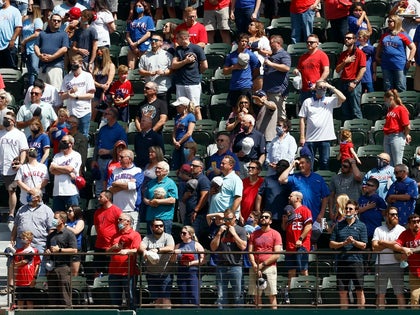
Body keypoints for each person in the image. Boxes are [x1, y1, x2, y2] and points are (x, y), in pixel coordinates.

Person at [298, 80, 346, 170]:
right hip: (310, 138)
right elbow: (302, 119)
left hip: (325, 138)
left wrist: (331, 87)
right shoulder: (307, 102)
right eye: (320, 87)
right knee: (309, 163)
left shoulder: (329, 100)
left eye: (324, 88)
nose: (322, 89)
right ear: (315, 88)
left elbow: (343, 98)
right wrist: (302, 136)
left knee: (324, 162)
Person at [329, 200, 367, 309]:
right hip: (342, 262)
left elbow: (364, 245)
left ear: (356, 211)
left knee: (359, 290)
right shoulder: (338, 225)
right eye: (346, 208)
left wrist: (354, 242)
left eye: (351, 209)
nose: (348, 211)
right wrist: (343, 243)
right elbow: (331, 244)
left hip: (357, 262)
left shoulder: (361, 226)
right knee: (342, 291)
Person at [279, 156, 330, 234]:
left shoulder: (318, 178)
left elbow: (325, 197)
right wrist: (291, 166)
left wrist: (322, 213)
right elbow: (281, 179)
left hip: (315, 215)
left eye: (302, 163)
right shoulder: (294, 177)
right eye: (299, 164)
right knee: (298, 239)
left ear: (309, 164)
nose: (300, 165)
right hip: (298, 216)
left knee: (313, 241)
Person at [210, 208, 247, 307]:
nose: (228, 222)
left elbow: (243, 246)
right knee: (221, 296)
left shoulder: (241, 230)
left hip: (236, 266)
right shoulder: (220, 229)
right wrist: (219, 234)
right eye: (226, 219)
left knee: (238, 295)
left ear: (235, 218)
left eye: (230, 219)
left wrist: (234, 233)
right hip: (221, 266)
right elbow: (213, 248)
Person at [372, 206, 406, 308]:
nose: (395, 216)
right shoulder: (378, 229)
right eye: (392, 214)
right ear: (386, 216)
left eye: (396, 214)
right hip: (380, 264)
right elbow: (374, 248)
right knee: (380, 294)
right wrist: (393, 244)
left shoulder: (402, 230)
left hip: (397, 264)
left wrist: (382, 242)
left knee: (399, 293)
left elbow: (401, 248)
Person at [248, 211, 282, 308]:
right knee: (256, 295)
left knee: (271, 294)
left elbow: (277, 254)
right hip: (255, 266)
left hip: (269, 267)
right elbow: (250, 251)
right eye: (262, 217)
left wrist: (262, 265)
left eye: (266, 217)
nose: (263, 218)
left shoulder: (276, 234)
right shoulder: (253, 234)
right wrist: (254, 265)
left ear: (270, 221)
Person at [107, 213, 141, 310]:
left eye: (120, 219)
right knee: (115, 300)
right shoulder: (115, 235)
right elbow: (107, 253)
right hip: (113, 272)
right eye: (118, 220)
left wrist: (127, 251)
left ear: (128, 222)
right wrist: (113, 247)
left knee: (131, 298)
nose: (118, 221)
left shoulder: (135, 234)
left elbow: (137, 250)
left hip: (128, 272)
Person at [172, 30, 208, 120]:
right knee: (181, 108)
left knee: (195, 108)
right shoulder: (178, 50)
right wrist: (185, 61)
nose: (176, 41)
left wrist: (197, 73)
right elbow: (173, 65)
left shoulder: (197, 49)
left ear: (183, 38)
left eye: (178, 39)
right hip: (180, 83)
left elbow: (205, 65)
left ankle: (198, 129)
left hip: (193, 83)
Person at [140, 218, 175, 308]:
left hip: (165, 273)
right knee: (156, 299)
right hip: (151, 273)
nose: (159, 227)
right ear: (152, 227)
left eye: (161, 226)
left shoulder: (168, 237)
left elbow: (171, 247)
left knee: (166, 298)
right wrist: (144, 251)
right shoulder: (147, 238)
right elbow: (141, 246)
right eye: (156, 226)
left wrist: (157, 249)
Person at [92, 107, 128, 196]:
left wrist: (108, 152)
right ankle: (99, 204)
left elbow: (123, 148)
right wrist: (94, 159)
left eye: (107, 114)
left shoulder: (120, 130)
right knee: (99, 185)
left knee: (111, 184)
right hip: (100, 161)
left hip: (113, 161)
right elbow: (97, 145)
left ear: (113, 116)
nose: (104, 116)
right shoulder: (103, 129)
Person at [0, 111, 29, 223]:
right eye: (4, 118)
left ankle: (11, 214)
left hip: (11, 167)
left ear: (13, 121)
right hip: (0, 165)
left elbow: (23, 151)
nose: (5, 120)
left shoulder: (19, 134)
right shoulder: (1, 132)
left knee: (11, 190)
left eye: (8, 119)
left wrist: (20, 163)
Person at [45, 211, 77, 308]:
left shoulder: (69, 234)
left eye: (55, 218)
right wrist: (47, 251)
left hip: (63, 267)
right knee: (52, 296)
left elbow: (74, 250)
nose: (53, 220)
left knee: (65, 295)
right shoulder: (51, 235)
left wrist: (59, 250)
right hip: (51, 268)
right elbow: (47, 249)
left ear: (62, 220)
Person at [376, 15, 416, 92]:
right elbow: (379, 46)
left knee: (400, 85)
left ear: (396, 22)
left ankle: (401, 103)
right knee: (387, 86)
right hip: (386, 63)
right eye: (388, 21)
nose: (389, 23)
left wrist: (409, 60)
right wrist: (377, 56)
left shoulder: (403, 34)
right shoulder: (385, 35)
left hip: (399, 64)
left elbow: (413, 48)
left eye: (391, 21)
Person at [60, 54, 95, 137]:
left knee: (83, 135)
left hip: (84, 111)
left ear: (80, 63)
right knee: (70, 135)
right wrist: (70, 92)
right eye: (71, 63)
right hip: (71, 111)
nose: (72, 65)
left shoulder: (87, 76)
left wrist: (76, 97)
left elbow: (91, 95)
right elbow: (62, 96)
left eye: (74, 63)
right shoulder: (67, 77)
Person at [107, 149, 144, 229]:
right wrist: (127, 185)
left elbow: (134, 186)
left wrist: (117, 184)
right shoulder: (115, 171)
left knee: (131, 236)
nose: (119, 159)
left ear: (129, 159)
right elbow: (109, 189)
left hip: (132, 210)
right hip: (117, 210)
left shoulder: (137, 171)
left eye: (122, 157)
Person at [170, 225, 205, 306]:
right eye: (181, 233)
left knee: (194, 296)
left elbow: (203, 260)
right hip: (182, 273)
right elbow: (172, 260)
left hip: (193, 272)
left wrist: (191, 263)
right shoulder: (178, 245)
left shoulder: (196, 245)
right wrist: (175, 254)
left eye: (184, 233)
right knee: (184, 296)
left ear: (190, 234)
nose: (182, 235)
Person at [335, 32, 366, 121]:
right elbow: (337, 70)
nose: (346, 40)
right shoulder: (343, 54)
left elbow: (363, 69)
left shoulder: (360, 53)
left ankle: (359, 128)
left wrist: (355, 82)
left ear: (354, 40)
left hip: (353, 83)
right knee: (345, 110)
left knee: (355, 109)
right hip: (343, 82)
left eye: (349, 38)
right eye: (345, 38)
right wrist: (346, 61)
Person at [223, 33, 260, 109]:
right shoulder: (231, 56)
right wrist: (233, 67)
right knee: (234, 109)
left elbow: (257, 70)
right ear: (238, 42)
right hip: (234, 87)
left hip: (246, 86)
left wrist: (249, 79)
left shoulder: (251, 55)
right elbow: (225, 71)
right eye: (242, 41)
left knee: (247, 109)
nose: (244, 43)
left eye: (246, 41)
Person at [283, 192, 313, 284]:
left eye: (291, 196)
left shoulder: (305, 210)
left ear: (298, 199)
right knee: (291, 271)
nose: (289, 197)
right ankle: (290, 293)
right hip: (290, 245)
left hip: (301, 245)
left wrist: (300, 239)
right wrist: (284, 221)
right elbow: (284, 228)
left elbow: (309, 226)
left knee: (303, 270)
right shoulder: (288, 210)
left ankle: (306, 291)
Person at [34, 14, 69, 90]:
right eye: (54, 20)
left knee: (55, 90)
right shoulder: (42, 33)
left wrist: (52, 57)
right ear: (49, 21)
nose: (56, 22)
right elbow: (36, 46)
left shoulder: (63, 34)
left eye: (58, 21)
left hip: (56, 66)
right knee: (40, 90)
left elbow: (64, 49)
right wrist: (39, 55)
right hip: (42, 66)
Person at [255, 160, 291, 231]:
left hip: (284, 217)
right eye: (278, 165)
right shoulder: (268, 179)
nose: (280, 167)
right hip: (268, 216)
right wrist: (258, 210)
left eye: (283, 166)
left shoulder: (291, 180)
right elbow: (260, 194)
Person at [143, 161, 178, 233]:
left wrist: (158, 202)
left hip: (164, 218)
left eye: (159, 168)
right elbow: (145, 198)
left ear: (166, 171)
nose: (157, 170)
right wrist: (150, 202)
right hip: (151, 217)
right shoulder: (151, 183)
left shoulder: (170, 183)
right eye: (156, 168)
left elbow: (172, 200)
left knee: (164, 240)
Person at [49, 134, 82, 210]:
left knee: (74, 216)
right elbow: (51, 170)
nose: (62, 143)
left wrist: (57, 167)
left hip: (71, 191)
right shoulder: (57, 156)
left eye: (64, 141)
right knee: (58, 217)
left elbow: (70, 168)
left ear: (71, 144)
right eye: (61, 141)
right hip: (57, 192)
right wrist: (67, 172)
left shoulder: (76, 155)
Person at [393, 213, 420, 305]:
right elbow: (396, 246)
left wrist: (410, 250)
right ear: (409, 224)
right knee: (414, 299)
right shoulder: (405, 233)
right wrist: (402, 252)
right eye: (414, 222)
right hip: (414, 273)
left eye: (418, 221)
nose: (416, 224)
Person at [294, 34, 330, 104]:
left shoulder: (322, 55)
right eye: (307, 42)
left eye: (311, 42)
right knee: (305, 113)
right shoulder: (303, 57)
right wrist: (296, 70)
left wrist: (317, 83)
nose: (309, 44)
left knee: (317, 112)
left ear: (317, 44)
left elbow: (326, 71)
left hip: (317, 90)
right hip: (304, 90)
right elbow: (299, 68)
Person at [138, 34, 173, 104]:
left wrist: (163, 72)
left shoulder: (167, 55)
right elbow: (140, 71)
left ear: (161, 43)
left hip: (163, 89)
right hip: (150, 90)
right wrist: (149, 73)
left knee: (164, 112)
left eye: (156, 40)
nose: (153, 42)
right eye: (152, 40)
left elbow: (172, 70)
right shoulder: (145, 56)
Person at [93, 190, 123, 274]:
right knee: (98, 270)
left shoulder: (116, 210)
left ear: (108, 198)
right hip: (99, 245)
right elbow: (96, 226)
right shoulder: (97, 212)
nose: (98, 198)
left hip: (111, 245)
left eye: (101, 197)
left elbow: (122, 226)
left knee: (110, 270)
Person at [262, 35, 291, 120]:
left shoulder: (283, 54)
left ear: (278, 43)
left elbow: (286, 68)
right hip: (268, 90)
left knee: (280, 117)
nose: (270, 45)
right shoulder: (272, 55)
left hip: (277, 91)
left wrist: (271, 64)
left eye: (271, 43)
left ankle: (282, 132)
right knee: (270, 116)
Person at [13, 231, 41, 309]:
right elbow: (15, 264)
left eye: (24, 238)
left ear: (29, 240)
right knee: (20, 301)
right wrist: (23, 262)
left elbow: (37, 264)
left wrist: (34, 278)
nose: (22, 240)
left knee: (29, 301)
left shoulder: (34, 250)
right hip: (19, 280)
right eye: (22, 238)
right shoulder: (18, 251)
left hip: (29, 279)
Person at [383, 89, 411, 166]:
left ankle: (400, 178)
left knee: (397, 163)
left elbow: (407, 126)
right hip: (387, 136)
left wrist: (405, 135)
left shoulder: (401, 109)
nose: (385, 102)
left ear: (391, 98)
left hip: (396, 136)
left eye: (386, 100)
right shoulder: (390, 109)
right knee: (388, 163)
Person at [183, 159, 210, 239]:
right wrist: (186, 195)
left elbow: (205, 196)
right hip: (189, 213)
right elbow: (184, 199)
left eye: (194, 166)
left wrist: (196, 210)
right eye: (191, 165)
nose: (191, 167)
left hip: (198, 216)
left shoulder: (203, 180)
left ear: (201, 168)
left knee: (194, 238)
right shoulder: (191, 180)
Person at [126, 0, 154, 70]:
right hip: (132, 46)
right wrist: (132, 44)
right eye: (136, 6)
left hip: (144, 45)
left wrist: (137, 43)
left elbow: (148, 34)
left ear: (144, 8)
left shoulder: (148, 18)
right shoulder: (132, 20)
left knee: (144, 67)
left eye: (140, 6)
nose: (137, 8)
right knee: (130, 67)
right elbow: (127, 34)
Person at [170, 97, 196, 170]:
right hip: (177, 144)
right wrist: (174, 141)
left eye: (178, 106)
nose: (177, 108)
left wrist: (179, 142)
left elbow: (189, 133)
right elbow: (174, 130)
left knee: (186, 163)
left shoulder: (191, 116)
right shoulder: (177, 117)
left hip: (187, 144)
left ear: (184, 106)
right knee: (175, 164)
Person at [91, 47, 116, 121]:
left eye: (101, 53)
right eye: (98, 54)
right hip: (96, 91)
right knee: (93, 113)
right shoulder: (96, 66)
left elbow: (109, 81)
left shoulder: (111, 65)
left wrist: (104, 91)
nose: (99, 55)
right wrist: (100, 85)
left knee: (105, 114)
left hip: (106, 93)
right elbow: (92, 80)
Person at [21, 4, 43, 87]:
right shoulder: (26, 21)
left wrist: (25, 41)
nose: (29, 9)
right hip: (26, 48)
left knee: (35, 67)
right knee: (30, 70)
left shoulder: (37, 20)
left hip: (34, 47)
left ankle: (39, 84)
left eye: (31, 7)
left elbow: (37, 33)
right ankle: (31, 86)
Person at [247, 21, 271, 91]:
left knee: (258, 91)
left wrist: (260, 51)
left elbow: (269, 52)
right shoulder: (246, 38)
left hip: (258, 67)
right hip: (247, 67)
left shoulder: (263, 39)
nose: (249, 26)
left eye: (252, 25)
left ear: (257, 28)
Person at [0, 0, 22, 69]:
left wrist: (13, 39)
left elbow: (18, 27)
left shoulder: (15, 11)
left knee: (10, 69)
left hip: (10, 46)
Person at [65, 205, 85, 276]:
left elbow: (76, 231)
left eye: (70, 211)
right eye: (67, 211)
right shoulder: (66, 222)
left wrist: (65, 226)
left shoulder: (80, 221)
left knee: (74, 272)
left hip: (75, 248)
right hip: (66, 248)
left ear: (76, 211)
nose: (68, 212)